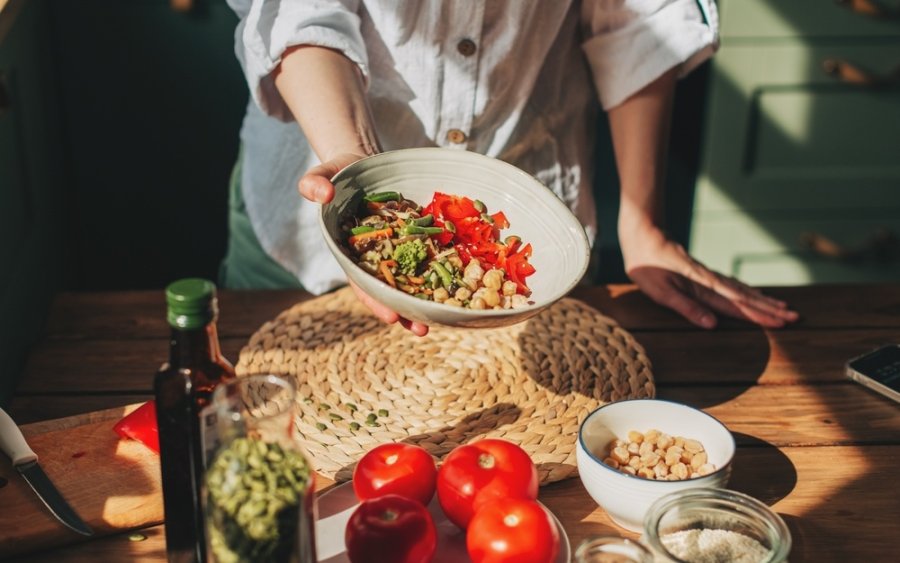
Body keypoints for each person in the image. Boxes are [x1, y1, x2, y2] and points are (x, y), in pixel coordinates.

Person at [221, 0, 798, 336]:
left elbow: (635, 17)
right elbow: (300, 10)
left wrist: (641, 222)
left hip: (532, 204)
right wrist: (360, 173)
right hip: (306, 205)